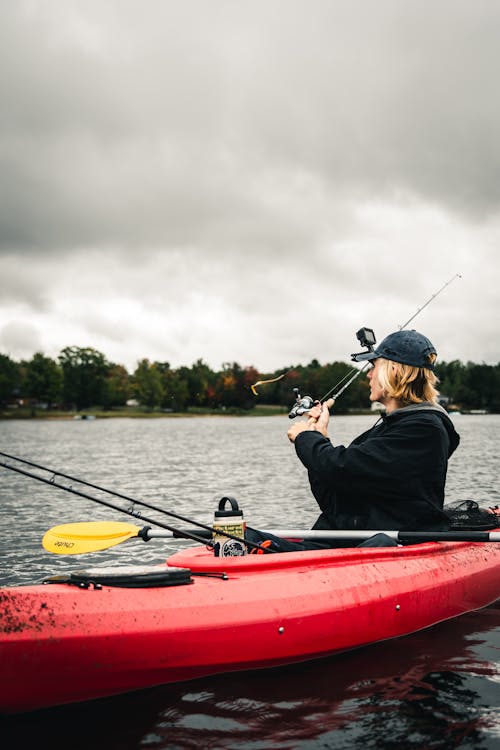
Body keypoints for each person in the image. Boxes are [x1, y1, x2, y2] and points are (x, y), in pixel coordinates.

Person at [246, 329, 460, 553]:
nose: (368, 375)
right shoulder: (389, 430)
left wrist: (306, 437)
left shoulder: (423, 430)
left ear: (393, 370)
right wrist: (321, 436)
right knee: (245, 538)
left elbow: (341, 467)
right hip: (345, 541)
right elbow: (336, 495)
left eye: (373, 367)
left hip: (384, 545)